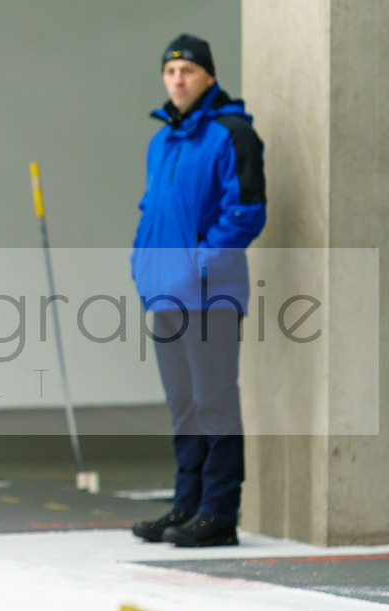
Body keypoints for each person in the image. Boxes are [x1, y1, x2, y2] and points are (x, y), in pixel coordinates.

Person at [130, 35, 266, 547]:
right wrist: (143, 265)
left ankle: (218, 512)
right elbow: (152, 211)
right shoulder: (162, 140)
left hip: (209, 296)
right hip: (164, 292)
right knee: (183, 405)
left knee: (214, 402)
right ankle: (187, 505)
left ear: (208, 76)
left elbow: (246, 213)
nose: (178, 80)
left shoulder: (232, 134)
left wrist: (195, 267)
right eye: (170, 72)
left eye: (188, 70)